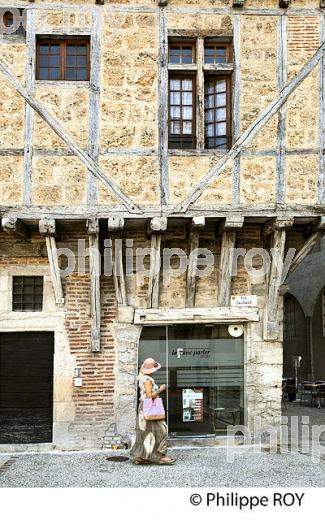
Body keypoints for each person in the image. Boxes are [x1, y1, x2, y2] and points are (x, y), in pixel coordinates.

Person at [130, 357, 175, 465]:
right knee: (162, 430)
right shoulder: (148, 380)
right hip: (149, 407)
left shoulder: (142, 378)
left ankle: (140, 457)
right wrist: (160, 389)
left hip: (144, 407)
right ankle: (161, 456)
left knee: (144, 432)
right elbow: (149, 396)